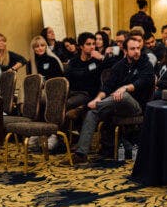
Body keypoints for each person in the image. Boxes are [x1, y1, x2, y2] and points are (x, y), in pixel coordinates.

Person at [73, 34, 154, 162]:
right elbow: (107, 87)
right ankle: (81, 153)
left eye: (138, 48)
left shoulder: (146, 64)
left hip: (136, 106)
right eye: (133, 49)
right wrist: (98, 98)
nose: (137, 51)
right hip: (116, 105)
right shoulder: (119, 66)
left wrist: (125, 88)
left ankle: (83, 107)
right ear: (125, 51)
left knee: (123, 95)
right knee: (93, 111)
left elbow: (143, 82)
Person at [63, 32, 104, 112]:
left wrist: (101, 58)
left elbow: (81, 75)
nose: (92, 47)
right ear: (81, 46)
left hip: (86, 94)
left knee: (67, 104)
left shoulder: (96, 61)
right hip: (72, 91)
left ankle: (79, 110)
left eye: (93, 44)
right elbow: (68, 76)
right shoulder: (74, 61)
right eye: (88, 44)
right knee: (54, 100)